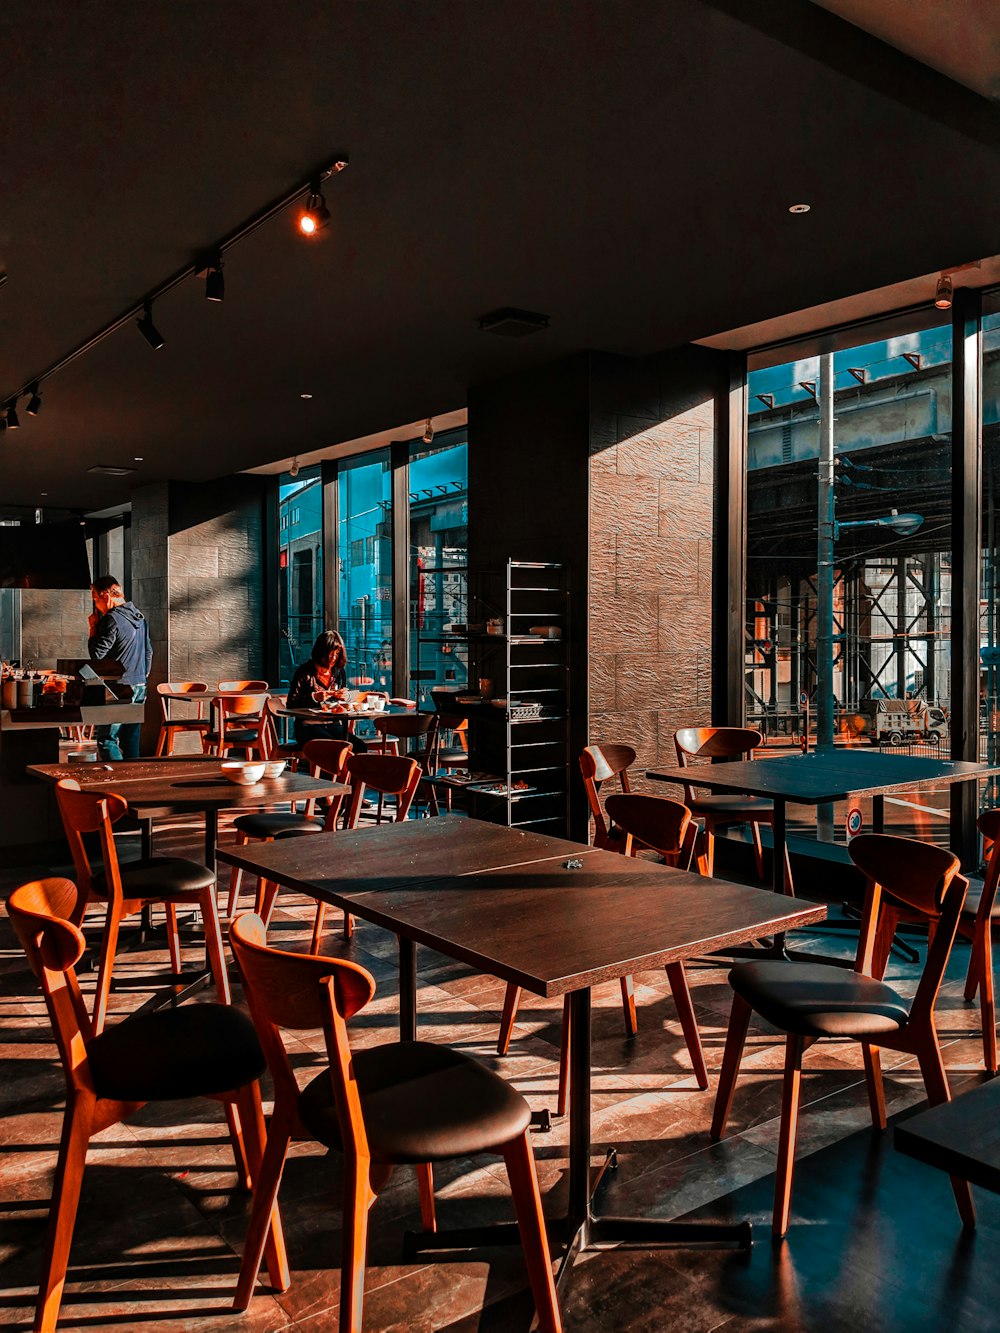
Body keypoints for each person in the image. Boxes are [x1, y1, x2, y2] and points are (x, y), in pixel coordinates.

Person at [88, 575, 152, 761]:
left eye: (96, 600)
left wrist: (93, 628)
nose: (96, 605)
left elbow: (97, 655)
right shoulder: (140, 617)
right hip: (139, 685)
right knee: (130, 741)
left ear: (106, 597)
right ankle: (133, 783)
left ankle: (116, 780)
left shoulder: (112, 619)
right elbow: (149, 651)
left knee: (107, 739)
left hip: (117, 688)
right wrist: (142, 676)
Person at [286, 628, 366, 752]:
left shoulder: (338, 672)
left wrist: (345, 698)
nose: (334, 657)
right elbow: (291, 704)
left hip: (333, 725)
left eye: (337, 653)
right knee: (334, 748)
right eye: (331, 653)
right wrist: (314, 697)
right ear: (321, 652)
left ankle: (348, 772)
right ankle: (332, 772)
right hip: (308, 726)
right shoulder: (305, 672)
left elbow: (342, 702)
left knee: (360, 747)